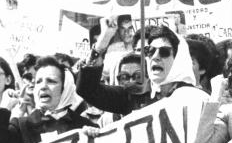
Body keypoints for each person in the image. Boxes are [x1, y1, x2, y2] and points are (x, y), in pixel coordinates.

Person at [77, 22, 209, 117]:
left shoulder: (197, 98)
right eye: (150, 51)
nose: (155, 57)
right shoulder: (134, 95)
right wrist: (102, 43)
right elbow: (87, 89)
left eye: (164, 52)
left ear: (178, 59)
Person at [0, 56, 97, 143]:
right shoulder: (20, 127)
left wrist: (90, 140)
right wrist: (4, 108)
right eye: (38, 82)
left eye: (51, 81)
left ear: (65, 89)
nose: (43, 86)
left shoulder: (85, 126)